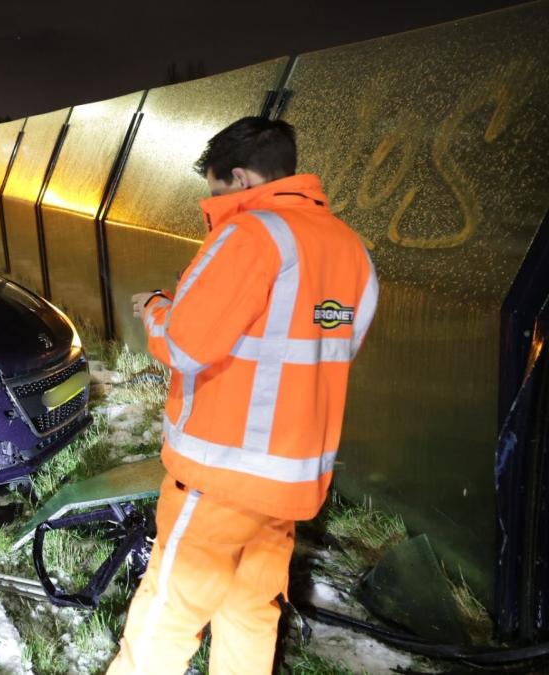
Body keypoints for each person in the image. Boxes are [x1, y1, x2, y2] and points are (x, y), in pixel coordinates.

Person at [108, 117, 378, 674]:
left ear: (239, 176)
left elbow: (184, 343)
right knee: (252, 611)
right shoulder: (350, 248)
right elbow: (331, 352)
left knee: (170, 608)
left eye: (215, 190)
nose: (214, 205)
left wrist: (156, 308)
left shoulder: (251, 233)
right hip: (289, 482)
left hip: (220, 473)